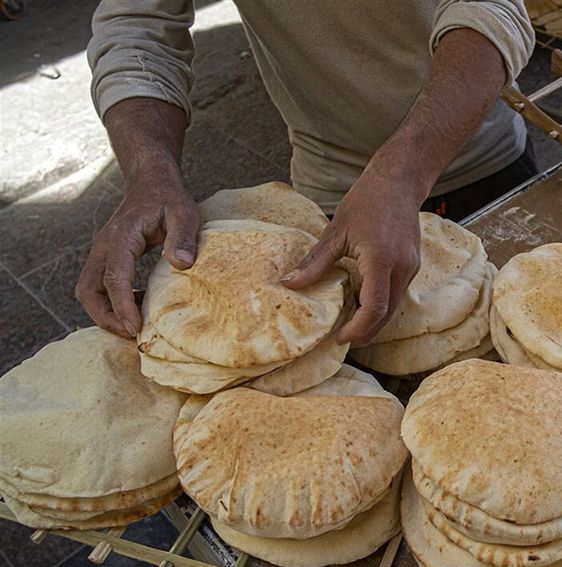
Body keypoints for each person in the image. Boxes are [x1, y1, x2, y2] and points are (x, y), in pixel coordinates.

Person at [78, 1, 536, 346]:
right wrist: (148, 172)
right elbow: (137, 29)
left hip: (486, 161)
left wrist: (400, 175)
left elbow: (491, 8)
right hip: (331, 197)